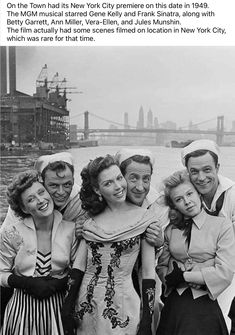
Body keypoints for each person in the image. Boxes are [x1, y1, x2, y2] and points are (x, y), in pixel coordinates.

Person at [61, 155, 157, 335]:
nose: (118, 187)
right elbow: (79, 266)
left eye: (119, 178)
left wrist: (147, 318)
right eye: (108, 183)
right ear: (97, 190)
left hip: (124, 305)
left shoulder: (145, 218)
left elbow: (148, 272)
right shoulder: (89, 220)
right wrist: (67, 306)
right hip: (86, 304)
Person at [0, 152, 87, 325]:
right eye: (53, 186)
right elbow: (4, 265)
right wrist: (25, 283)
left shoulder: (79, 204)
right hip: (20, 308)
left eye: (67, 184)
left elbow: (78, 267)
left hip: (57, 305)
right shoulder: (13, 226)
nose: (61, 192)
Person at [155, 169, 235, 335]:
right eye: (179, 199)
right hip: (174, 304)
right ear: (174, 205)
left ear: (198, 194)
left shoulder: (221, 225)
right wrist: (171, 276)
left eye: (189, 194)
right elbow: (162, 267)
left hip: (205, 304)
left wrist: (184, 276)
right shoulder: (170, 230)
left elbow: (225, 272)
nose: (187, 202)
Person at [181, 139, 235, 329]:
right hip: (195, 278)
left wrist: (203, 271)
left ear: (218, 167)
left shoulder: (232, 195)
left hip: (229, 272)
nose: (201, 177)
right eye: (194, 172)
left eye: (207, 170)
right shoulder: (186, 197)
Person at [116, 148, 169, 331]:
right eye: (133, 178)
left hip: (145, 283)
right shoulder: (103, 205)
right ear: (120, 178)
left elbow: (163, 263)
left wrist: (161, 243)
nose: (140, 187)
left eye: (146, 179)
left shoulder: (159, 207)